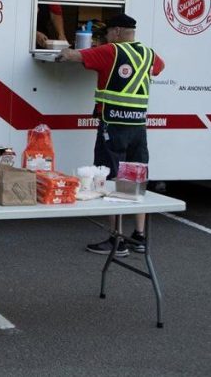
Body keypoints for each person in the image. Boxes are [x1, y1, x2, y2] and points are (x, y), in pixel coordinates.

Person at [58, 13, 165, 257]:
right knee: (135, 178)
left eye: (106, 32)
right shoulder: (149, 54)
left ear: (116, 32)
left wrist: (61, 49)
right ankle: (139, 237)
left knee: (110, 179)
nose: (105, 37)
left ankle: (117, 241)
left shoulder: (111, 51)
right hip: (138, 127)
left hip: (113, 126)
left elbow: (72, 56)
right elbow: (159, 68)